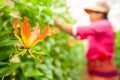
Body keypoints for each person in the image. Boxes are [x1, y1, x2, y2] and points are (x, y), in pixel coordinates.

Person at [54, 1, 118, 80]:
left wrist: (60, 24)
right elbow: (79, 35)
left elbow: (77, 30)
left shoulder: (103, 24)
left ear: (100, 14)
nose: (90, 16)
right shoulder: (98, 28)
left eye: (92, 13)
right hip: (95, 67)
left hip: (102, 69)